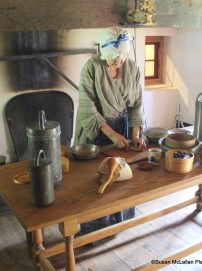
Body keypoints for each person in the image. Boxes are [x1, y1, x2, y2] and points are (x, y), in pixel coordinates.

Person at [74, 26, 146, 234]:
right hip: (98, 128)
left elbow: (137, 103)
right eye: (114, 58)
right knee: (97, 177)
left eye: (122, 56)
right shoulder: (91, 67)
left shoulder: (131, 67)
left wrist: (135, 134)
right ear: (103, 53)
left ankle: (119, 224)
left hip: (122, 125)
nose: (118, 61)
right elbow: (87, 106)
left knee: (122, 174)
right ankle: (95, 230)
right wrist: (111, 134)